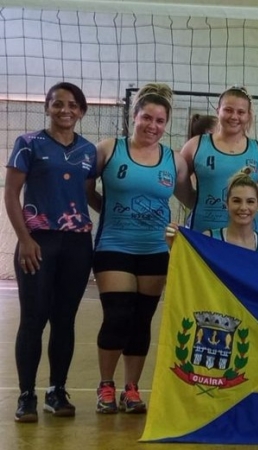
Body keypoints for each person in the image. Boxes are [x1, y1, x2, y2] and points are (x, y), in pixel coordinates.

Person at [86, 83, 190, 415]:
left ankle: (131, 388)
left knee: (141, 320)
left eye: (160, 121)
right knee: (117, 315)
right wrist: (112, 211)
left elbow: (190, 200)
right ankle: (106, 385)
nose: (152, 126)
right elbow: (87, 190)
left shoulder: (174, 160)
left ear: (166, 124)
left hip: (155, 250)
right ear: (134, 116)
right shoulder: (108, 149)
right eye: (147, 117)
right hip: (114, 245)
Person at [5, 82, 97, 422]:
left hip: (76, 244)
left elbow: (88, 194)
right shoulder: (28, 144)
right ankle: (26, 395)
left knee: (64, 321)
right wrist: (25, 238)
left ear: (82, 111)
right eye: (58, 104)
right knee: (33, 319)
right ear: (47, 107)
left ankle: (57, 391)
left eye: (72, 105)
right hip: (38, 241)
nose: (65, 110)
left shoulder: (89, 150)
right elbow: (11, 194)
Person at [180, 86, 258, 232]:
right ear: (218, 110)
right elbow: (177, 180)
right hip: (203, 235)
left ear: (248, 115)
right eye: (228, 110)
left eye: (241, 112)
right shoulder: (196, 145)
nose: (234, 117)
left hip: (246, 238)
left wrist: (247, 205)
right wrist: (194, 201)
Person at [166, 169, 258, 256]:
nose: (243, 207)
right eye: (236, 201)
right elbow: (191, 271)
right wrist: (174, 245)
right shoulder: (210, 238)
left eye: (250, 201)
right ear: (226, 204)